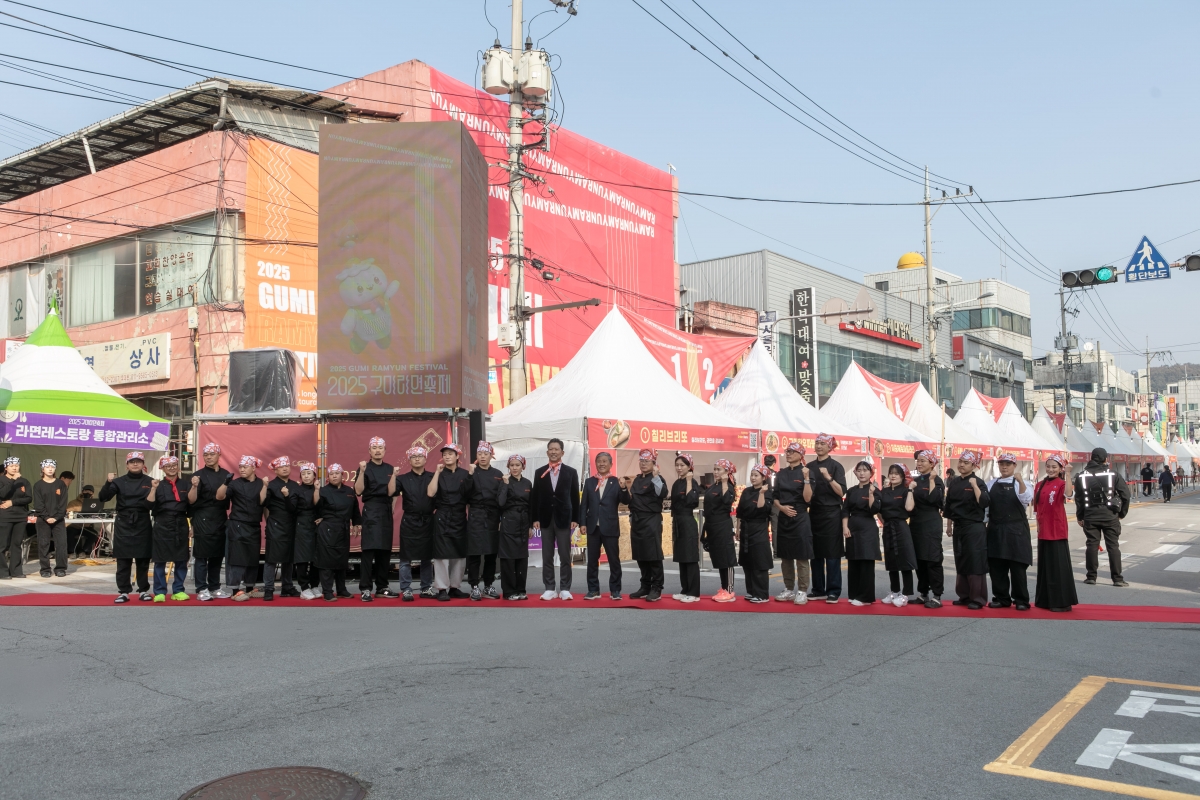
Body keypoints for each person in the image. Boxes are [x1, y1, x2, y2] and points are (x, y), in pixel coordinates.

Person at [530, 438, 581, 600]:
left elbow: (574, 497)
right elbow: (535, 497)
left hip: (564, 518)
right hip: (545, 519)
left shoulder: (570, 472)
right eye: (550, 449)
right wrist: (535, 518)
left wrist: (575, 518)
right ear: (547, 452)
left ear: (562, 453)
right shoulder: (540, 472)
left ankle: (565, 587)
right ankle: (549, 587)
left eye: (556, 449)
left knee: (565, 555)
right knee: (547, 555)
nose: (553, 452)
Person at [99, 453, 153, 602]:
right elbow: (103, 497)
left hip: (142, 520)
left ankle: (143, 590)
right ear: (127, 465)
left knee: (143, 559)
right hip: (124, 521)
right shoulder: (118, 481)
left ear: (143, 464)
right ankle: (124, 591)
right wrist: (108, 482)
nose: (135, 464)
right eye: (132, 462)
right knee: (123, 559)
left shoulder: (150, 481)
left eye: (138, 462)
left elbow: (153, 504)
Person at [1074, 447, 1130, 587]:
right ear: (1105, 459)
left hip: (1090, 516)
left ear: (1091, 458)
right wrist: (1121, 514)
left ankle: (1091, 577)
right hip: (1110, 516)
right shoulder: (1113, 474)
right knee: (1113, 547)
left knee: (1092, 545)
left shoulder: (1081, 476)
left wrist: (1080, 516)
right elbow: (1126, 495)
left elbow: (1079, 498)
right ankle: (1117, 579)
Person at [619, 448, 669, 602]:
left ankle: (657, 588)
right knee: (641, 555)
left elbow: (663, 493)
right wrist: (623, 489)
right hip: (637, 520)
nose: (643, 464)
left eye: (647, 461)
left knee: (653, 555)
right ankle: (645, 585)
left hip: (651, 519)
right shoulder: (638, 479)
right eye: (641, 461)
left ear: (654, 463)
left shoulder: (658, 478)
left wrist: (655, 477)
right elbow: (630, 499)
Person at [985, 453, 1034, 611]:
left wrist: (1020, 481)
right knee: (997, 566)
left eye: (1008, 464)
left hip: (1016, 529)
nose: (1004, 467)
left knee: (1017, 567)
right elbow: (986, 508)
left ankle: (1021, 600)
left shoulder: (1023, 483)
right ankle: (1001, 598)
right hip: (995, 529)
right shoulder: (991, 483)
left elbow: (1026, 499)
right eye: (1001, 464)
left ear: (1015, 466)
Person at [354, 436, 399, 601]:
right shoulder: (365, 467)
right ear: (369, 451)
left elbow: (391, 492)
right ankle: (365, 588)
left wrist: (394, 475)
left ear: (385, 450)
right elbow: (358, 491)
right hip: (371, 509)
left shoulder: (389, 468)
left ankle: (382, 587)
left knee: (385, 551)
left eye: (381, 447)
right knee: (369, 551)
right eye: (374, 448)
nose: (378, 450)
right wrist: (362, 471)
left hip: (385, 510)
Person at [427, 443, 473, 601]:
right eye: (445, 454)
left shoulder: (465, 474)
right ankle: (441, 589)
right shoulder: (439, 473)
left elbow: (469, 497)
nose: (447, 456)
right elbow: (430, 492)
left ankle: (455, 587)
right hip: (442, 516)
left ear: (457, 456)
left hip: (460, 516)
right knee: (442, 556)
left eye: (450, 454)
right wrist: (436, 473)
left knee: (459, 555)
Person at [944, 451, 990, 610]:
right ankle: (963, 596)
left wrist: (975, 486)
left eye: (966, 462)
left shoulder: (978, 482)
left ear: (974, 466)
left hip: (974, 527)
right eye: (960, 461)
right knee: (960, 559)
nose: (962, 464)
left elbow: (984, 502)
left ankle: (978, 599)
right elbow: (949, 506)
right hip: (959, 526)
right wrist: (949, 525)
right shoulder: (954, 482)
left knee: (975, 562)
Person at [187, 442, 232, 601]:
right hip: (202, 517)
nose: (208, 457)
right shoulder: (197, 475)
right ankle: (201, 588)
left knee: (217, 555)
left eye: (212, 454)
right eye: (206, 455)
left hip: (220, 517)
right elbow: (191, 502)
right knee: (201, 555)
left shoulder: (227, 475)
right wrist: (193, 487)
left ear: (219, 455)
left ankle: (215, 587)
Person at [1033, 454, 1077, 612]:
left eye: (1054, 467)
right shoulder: (1039, 485)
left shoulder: (1062, 483)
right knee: (1045, 567)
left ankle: (1061, 602)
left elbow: (1069, 495)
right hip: (1043, 531)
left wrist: (1069, 474)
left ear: (1060, 469)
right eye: (1048, 466)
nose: (1050, 469)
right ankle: (1045, 600)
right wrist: (1038, 527)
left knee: (1058, 567)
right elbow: (1037, 509)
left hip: (1056, 531)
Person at [808, 434, 847, 604]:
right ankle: (818, 589)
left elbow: (841, 492)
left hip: (832, 513)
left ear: (830, 446)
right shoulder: (808, 466)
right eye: (817, 443)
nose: (818, 446)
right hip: (814, 513)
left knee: (832, 554)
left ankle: (833, 590)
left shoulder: (836, 466)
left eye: (822, 443)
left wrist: (828, 477)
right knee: (815, 554)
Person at [773, 442, 813, 605]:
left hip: (800, 517)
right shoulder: (781, 473)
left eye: (791, 451)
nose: (788, 454)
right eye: (787, 451)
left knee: (802, 556)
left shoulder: (806, 472)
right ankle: (789, 589)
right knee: (785, 556)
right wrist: (782, 508)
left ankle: (802, 590)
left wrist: (806, 479)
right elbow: (775, 496)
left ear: (800, 454)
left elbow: (808, 498)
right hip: (784, 517)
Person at [147, 455, 191, 602]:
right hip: (162, 522)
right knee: (160, 559)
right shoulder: (157, 484)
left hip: (180, 522)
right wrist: (153, 489)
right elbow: (149, 504)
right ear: (162, 468)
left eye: (174, 465)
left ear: (178, 467)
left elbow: (192, 505)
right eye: (168, 466)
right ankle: (159, 591)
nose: (171, 468)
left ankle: (178, 589)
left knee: (181, 558)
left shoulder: (186, 484)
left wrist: (193, 525)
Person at [580, 451, 622, 600]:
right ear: (595, 464)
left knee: (613, 560)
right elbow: (583, 504)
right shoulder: (590, 482)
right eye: (599, 461)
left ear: (611, 464)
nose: (602, 464)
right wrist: (582, 523)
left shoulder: (616, 482)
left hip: (610, 526)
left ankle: (615, 590)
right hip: (592, 527)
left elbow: (625, 500)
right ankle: (593, 590)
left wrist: (623, 488)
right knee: (592, 560)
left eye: (605, 461)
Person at [313, 464, 360, 601]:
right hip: (327, 528)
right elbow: (316, 508)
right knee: (326, 561)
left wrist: (357, 523)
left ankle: (341, 590)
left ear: (342, 475)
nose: (334, 476)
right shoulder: (323, 490)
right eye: (331, 474)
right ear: (328, 477)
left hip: (343, 528)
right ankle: (327, 591)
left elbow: (355, 509)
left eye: (337, 473)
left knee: (342, 560)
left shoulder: (349, 491)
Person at [395, 445, 435, 601]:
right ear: (409, 460)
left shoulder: (433, 476)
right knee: (405, 557)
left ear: (425, 459)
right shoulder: (402, 478)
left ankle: (426, 587)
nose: (417, 459)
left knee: (427, 556)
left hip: (428, 520)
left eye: (420, 456)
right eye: (413, 457)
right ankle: (406, 588)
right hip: (409, 520)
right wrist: (393, 475)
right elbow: (391, 492)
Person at [465, 441, 504, 601]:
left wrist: (501, 518)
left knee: (490, 553)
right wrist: (469, 475)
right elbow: (465, 494)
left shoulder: (498, 473)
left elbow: (502, 498)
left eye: (485, 454)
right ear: (476, 455)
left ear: (491, 456)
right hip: (475, 515)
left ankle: (488, 584)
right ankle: (474, 586)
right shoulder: (471, 472)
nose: (482, 456)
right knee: (474, 553)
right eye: (480, 454)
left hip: (493, 516)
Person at [225, 455, 265, 602]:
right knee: (237, 558)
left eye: (245, 467)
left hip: (254, 524)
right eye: (240, 467)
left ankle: (250, 588)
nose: (241, 469)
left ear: (253, 468)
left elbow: (264, 503)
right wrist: (225, 483)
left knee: (252, 557)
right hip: (237, 524)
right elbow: (221, 497)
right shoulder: (234, 484)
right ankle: (235, 590)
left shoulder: (261, 483)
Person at [841, 461, 881, 606]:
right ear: (855, 472)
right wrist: (845, 527)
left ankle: (866, 597)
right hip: (852, 527)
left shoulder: (875, 490)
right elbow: (845, 510)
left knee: (866, 562)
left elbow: (874, 510)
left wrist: (871, 494)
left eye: (865, 470)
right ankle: (854, 594)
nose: (862, 473)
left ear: (871, 473)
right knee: (853, 561)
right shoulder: (851, 491)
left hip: (868, 527)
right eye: (859, 470)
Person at [910, 450, 946, 609]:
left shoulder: (937, 480)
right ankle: (923, 593)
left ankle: (937, 595)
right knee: (919, 560)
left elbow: (935, 500)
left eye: (923, 461)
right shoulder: (915, 480)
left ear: (932, 463)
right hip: (916, 523)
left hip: (931, 524)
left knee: (932, 560)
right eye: (918, 460)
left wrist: (931, 480)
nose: (919, 463)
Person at [878, 463, 917, 608]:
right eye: (891, 473)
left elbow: (909, 508)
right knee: (891, 561)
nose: (893, 476)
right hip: (888, 527)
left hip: (901, 527)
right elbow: (879, 510)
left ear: (903, 476)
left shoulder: (906, 491)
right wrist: (884, 522)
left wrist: (911, 490)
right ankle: (894, 591)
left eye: (897, 473)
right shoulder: (885, 491)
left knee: (904, 560)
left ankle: (905, 594)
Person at [263, 456, 301, 602]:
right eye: (281, 466)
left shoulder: (295, 486)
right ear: (276, 470)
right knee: (271, 558)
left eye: (287, 466)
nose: (285, 468)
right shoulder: (271, 485)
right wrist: (269, 523)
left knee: (289, 558)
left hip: (291, 524)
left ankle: (287, 586)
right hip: (275, 524)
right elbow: (264, 505)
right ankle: (268, 588)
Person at [497, 454, 534, 600]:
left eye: (517, 465)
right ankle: (509, 591)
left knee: (522, 558)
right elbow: (500, 503)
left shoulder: (527, 483)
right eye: (512, 465)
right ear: (508, 467)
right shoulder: (504, 481)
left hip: (523, 522)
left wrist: (530, 525)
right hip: (508, 521)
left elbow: (530, 506)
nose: (514, 468)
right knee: (508, 558)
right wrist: (505, 484)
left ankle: (520, 589)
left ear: (523, 466)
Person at [736, 464, 774, 603]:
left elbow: (762, 509)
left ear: (764, 477)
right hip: (746, 528)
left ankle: (762, 594)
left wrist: (762, 493)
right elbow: (740, 511)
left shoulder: (768, 492)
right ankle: (751, 591)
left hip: (759, 528)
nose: (753, 478)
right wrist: (738, 528)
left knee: (759, 561)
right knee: (747, 561)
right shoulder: (746, 491)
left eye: (756, 475)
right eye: (752, 475)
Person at [702, 460, 739, 602]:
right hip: (712, 526)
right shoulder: (712, 487)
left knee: (727, 558)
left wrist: (724, 482)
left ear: (727, 472)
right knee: (718, 557)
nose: (716, 472)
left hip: (723, 525)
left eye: (719, 469)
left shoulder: (728, 486)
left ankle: (729, 589)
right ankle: (723, 587)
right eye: (715, 469)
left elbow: (726, 501)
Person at [670, 452, 701, 603]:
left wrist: (689, 480)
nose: (679, 468)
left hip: (688, 521)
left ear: (689, 467)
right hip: (677, 521)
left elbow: (691, 501)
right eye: (677, 465)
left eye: (682, 465)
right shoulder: (676, 483)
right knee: (682, 557)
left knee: (690, 558)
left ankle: (694, 592)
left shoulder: (692, 482)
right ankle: (685, 589)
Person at [32, 458, 68, 578]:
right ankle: (45, 569)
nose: (50, 469)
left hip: (58, 520)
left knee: (61, 544)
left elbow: (63, 502)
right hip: (43, 519)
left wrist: (57, 517)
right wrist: (46, 517)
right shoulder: (38, 485)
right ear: (42, 469)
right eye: (47, 467)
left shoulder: (60, 484)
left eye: (52, 467)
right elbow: (38, 504)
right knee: (43, 544)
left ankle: (61, 568)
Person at [293, 462, 321, 600]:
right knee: (302, 557)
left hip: (316, 525)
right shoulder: (297, 490)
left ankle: (315, 585)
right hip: (302, 524)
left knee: (316, 556)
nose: (306, 476)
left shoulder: (320, 489)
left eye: (309, 473)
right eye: (303, 474)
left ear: (314, 475)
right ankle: (304, 587)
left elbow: (321, 506)